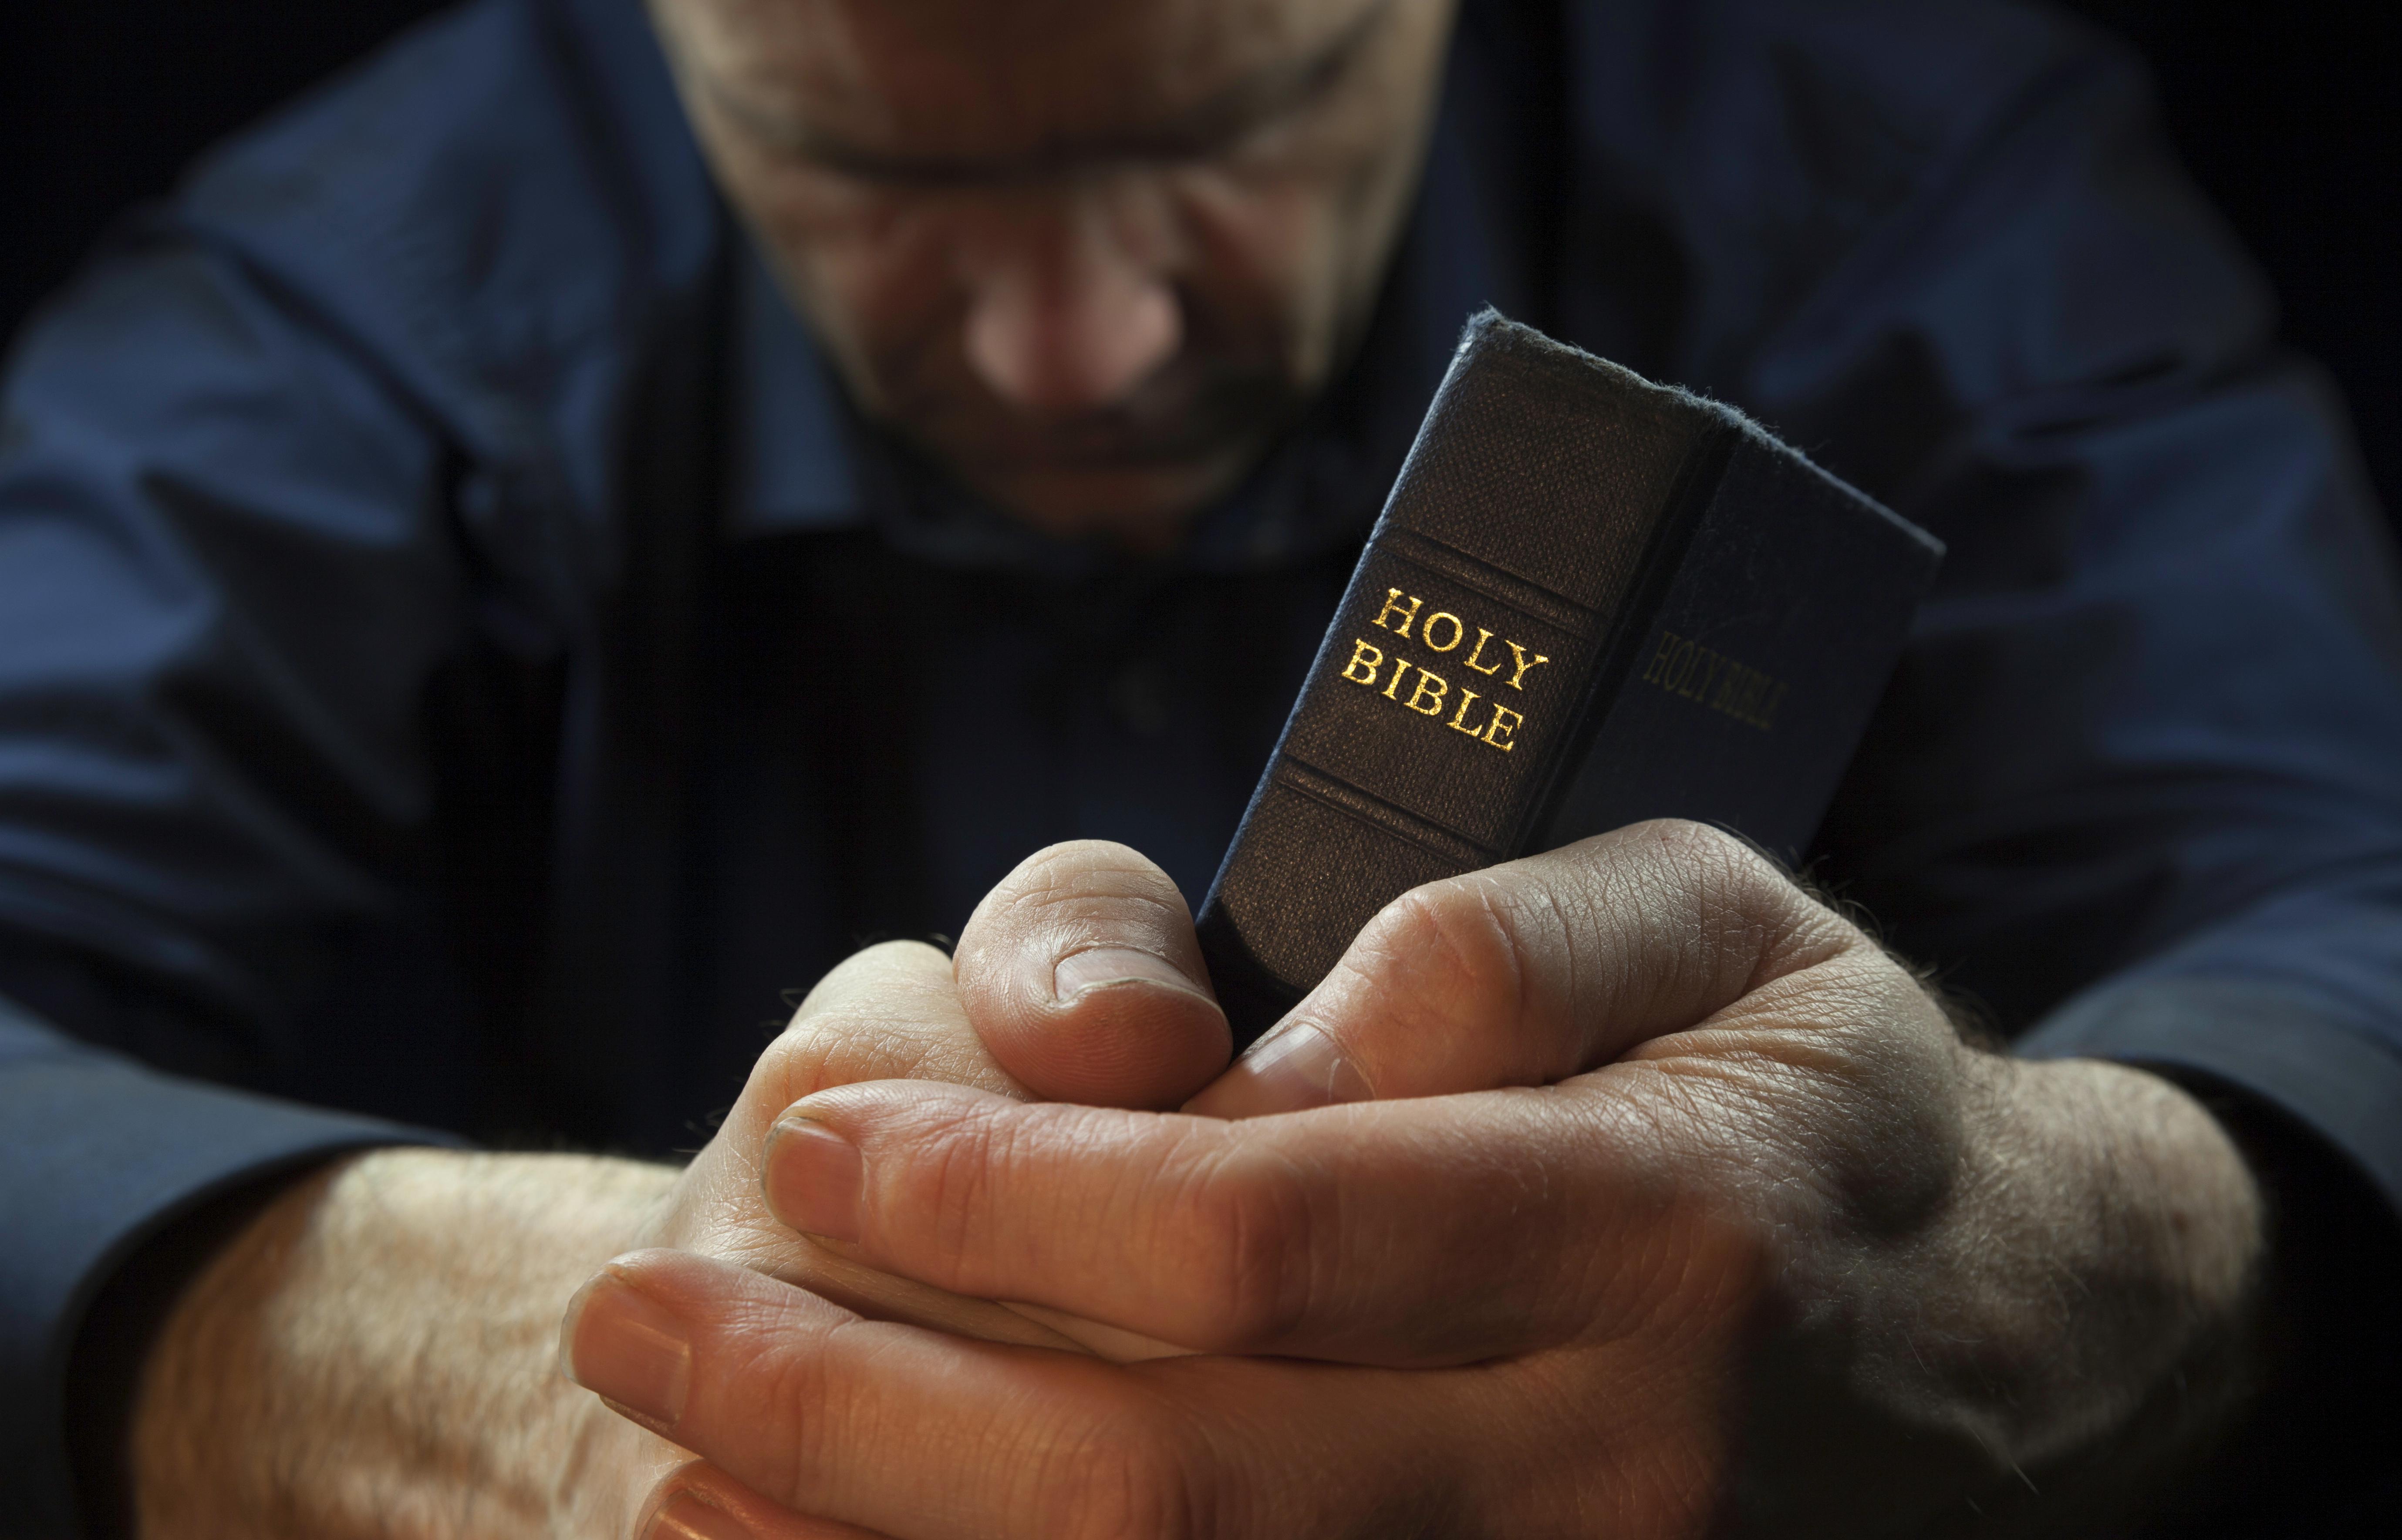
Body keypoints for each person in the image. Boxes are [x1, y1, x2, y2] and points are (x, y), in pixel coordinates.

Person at [3, 0, 2399, 1532]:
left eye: (1243, 120)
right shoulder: (361, 282)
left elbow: (2348, 898)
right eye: (885, 175)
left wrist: (2069, 1267)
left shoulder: (1910, 180)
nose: (1080, 341)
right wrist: (546, 1366)